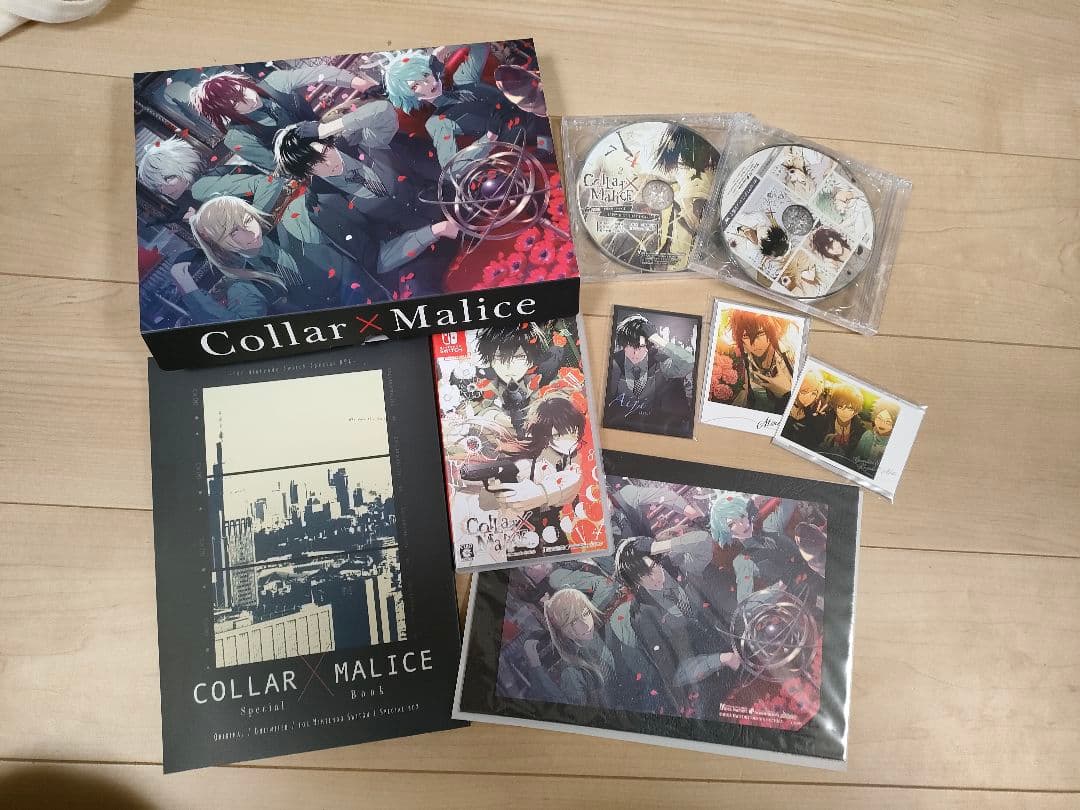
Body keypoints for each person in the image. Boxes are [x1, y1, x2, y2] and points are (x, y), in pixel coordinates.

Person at [273, 102, 460, 299]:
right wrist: (432, 232)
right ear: (306, 172)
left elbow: (383, 111)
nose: (329, 164)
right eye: (315, 165)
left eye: (324, 152)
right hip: (420, 248)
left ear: (328, 141)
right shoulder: (322, 205)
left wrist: (325, 129)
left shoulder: (361, 140)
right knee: (418, 293)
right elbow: (377, 258)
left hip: (451, 200)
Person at [176, 196, 358, 322]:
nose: (249, 232)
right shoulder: (244, 284)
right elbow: (239, 329)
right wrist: (189, 289)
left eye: (247, 220)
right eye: (233, 232)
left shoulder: (292, 225)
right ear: (218, 244)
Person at [384, 43, 550, 166]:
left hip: (539, 106)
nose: (427, 83)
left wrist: (444, 49)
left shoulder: (464, 78)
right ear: (410, 96)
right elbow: (452, 168)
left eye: (425, 74)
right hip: (530, 140)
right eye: (415, 85)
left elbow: (481, 44)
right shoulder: (437, 123)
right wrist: (490, 136)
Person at [189, 67, 377, 171]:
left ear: (242, 83)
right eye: (236, 103)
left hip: (329, 131)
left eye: (242, 91)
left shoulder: (274, 82)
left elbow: (320, 73)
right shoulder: (237, 137)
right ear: (226, 112)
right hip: (314, 166)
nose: (249, 100)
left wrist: (361, 84)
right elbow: (278, 168)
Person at [604, 314, 695, 435]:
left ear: (648, 346)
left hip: (651, 429)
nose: (635, 354)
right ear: (623, 345)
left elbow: (688, 362)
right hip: (616, 428)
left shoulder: (659, 362)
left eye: (641, 347)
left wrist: (656, 338)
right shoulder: (613, 362)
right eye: (630, 346)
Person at [727, 309, 796, 414]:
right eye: (745, 336)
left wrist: (786, 393)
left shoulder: (790, 353)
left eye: (760, 333)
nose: (754, 343)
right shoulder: (743, 359)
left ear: (771, 330)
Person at [818, 383, 867, 467]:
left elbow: (857, 458)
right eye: (840, 407)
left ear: (855, 410)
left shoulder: (860, 430)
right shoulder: (824, 420)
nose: (844, 412)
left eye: (849, 408)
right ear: (835, 406)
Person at [780, 368, 829, 450]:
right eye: (805, 391)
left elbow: (813, 442)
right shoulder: (785, 402)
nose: (808, 397)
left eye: (813, 394)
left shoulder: (810, 414)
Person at [852, 398, 900, 477]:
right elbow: (855, 458)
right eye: (879, 418)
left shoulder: (895, 444)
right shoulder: (867, 436)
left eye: (888, 421)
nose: (882, 424)